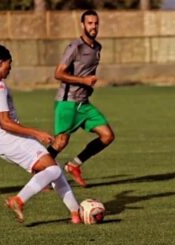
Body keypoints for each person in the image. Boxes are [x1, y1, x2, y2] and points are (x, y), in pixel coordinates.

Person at [0, 42, 81, 224]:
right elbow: (5, 123)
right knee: (52, 169)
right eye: (8, 64)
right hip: (12, 139)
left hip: (2, 143)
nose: (10, 68)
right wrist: (37, 133)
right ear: (0, 62)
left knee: (54, 170)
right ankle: (19, 200)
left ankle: (76, 214)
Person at [47, 10, 115, 188]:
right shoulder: (74, 47)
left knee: (107, 136)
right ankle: (41, 174)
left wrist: (87, 85)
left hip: (83, 104)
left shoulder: (97, 48)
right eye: (90, 23)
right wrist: (83, 80)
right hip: (67, 101)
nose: (93, 27)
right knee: (60, 142)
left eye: (96, 23)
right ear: (83, 25)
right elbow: (58, 73)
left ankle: (74, 165)